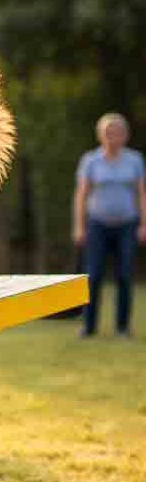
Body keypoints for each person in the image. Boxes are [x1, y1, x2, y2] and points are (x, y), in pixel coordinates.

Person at [72, 113, 146, 337]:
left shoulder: (135, 160)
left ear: (125, 136)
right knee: (93, 275)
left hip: (127, 224)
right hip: (97, 225)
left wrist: (144, 224)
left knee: (124, 275)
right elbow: (81, 195)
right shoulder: (90, 160)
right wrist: (79, 226)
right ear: (100, 136)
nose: (112, 137)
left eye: (117, 133)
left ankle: (122, 327)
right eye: (108, 133)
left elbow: (141, 194)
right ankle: (89, 326)